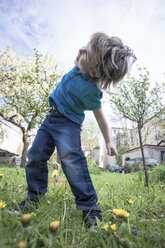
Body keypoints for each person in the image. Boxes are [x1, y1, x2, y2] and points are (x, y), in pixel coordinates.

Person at [9, 32, 136, 228]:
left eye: (86, 52)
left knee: (72, 162)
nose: (80, 50)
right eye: (84, 46)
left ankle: (90, 210)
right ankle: (34, 197)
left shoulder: (92, 91)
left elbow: (100, 117)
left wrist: (109, 141)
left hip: (68, 126)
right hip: (50, 119)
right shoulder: (78, 67)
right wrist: (90, 53)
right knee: (34, 155)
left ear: (94, 71)